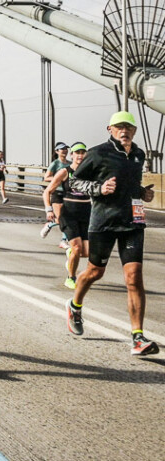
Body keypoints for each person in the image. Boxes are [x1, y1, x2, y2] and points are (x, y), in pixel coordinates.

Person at [66, 111, 158, 356]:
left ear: (135, 131)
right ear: (110, 129)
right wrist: (99, 188)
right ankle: (75, 306)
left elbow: (130, 186)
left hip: (133, 223)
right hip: (104, 223)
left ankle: (138, 337)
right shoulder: (97, 153)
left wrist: (143, 193)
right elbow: (74, 182)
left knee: (134, 277)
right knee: (95, 272)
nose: (124, 130)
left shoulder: (138, 155)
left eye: (128, 127)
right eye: (119, 127)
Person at [43, 142, 91, 289]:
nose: (80, 156)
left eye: (83, 153)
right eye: (77, 153)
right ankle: (71, 277)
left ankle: (71, 255)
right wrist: (49, 209)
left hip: (86, 214)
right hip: (68, 214)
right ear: (72, 155)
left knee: (87, 252)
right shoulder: (65, 172)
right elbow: (47, 191)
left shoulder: (91, 173)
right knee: (77, 248)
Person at [41, 142, 72, 246]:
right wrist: (59, 179)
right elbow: (46, 177)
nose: (65, 151)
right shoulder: (55, 163)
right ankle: (49, 225)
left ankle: (63, 240)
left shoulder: (70, 164)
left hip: (67, 193)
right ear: (57, 151)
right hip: (57, 193)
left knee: (68, 219)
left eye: (66, 149)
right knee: (60, 219)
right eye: (62, 149)